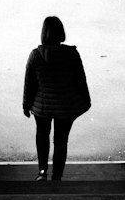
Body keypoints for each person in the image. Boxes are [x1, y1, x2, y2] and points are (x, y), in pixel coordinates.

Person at [22, 15, 91, 182]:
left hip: (42, 106)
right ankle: (57, 177)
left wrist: (26, 105)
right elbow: (80, 80)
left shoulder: (35, 55)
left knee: (42, 136)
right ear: (61, 32)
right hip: (66, 107)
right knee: (61, 141)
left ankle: (42, 172)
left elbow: (29, 84)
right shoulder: (71, 54)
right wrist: (85, 101)